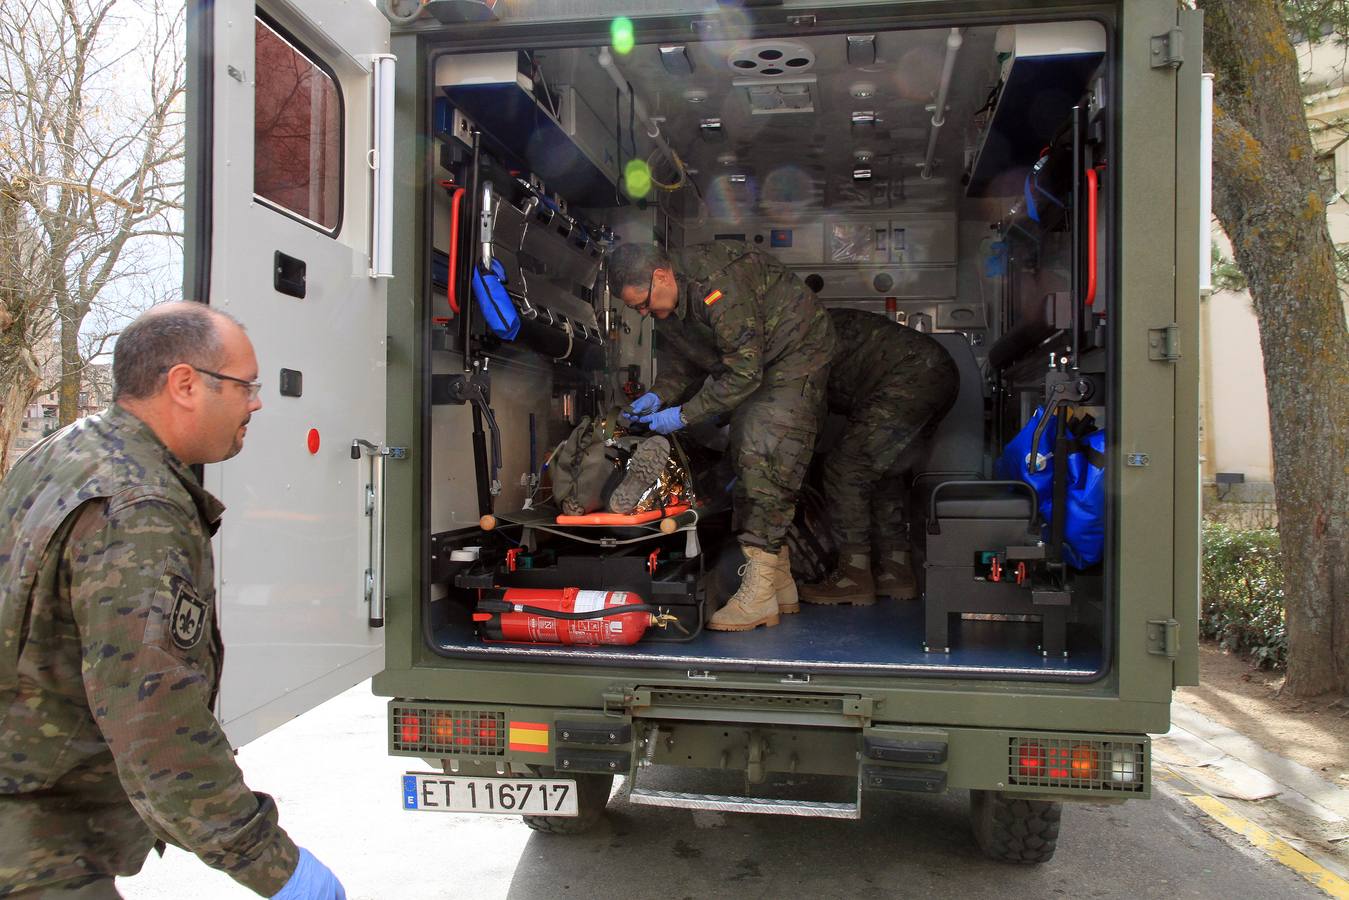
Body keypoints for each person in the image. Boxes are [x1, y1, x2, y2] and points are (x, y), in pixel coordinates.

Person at [0, 302, 344, 899]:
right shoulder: (138, 509)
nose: (256, 403)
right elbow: (155, 716)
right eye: (246, 385)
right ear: (185, 384)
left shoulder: (61, 453)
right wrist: (271, 864)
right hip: (36, 843)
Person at [607, 241, 835, 632]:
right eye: (637, 309)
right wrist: (659, 395)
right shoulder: (670, 300)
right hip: (760, 364)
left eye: (643, 304)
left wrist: (682, 414)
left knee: (763, 448)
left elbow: (744, 373)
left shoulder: (717, 284)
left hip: (797, 354)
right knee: (744, 448)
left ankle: (761, 594)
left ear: (661, 276)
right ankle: (779, 584)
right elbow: (685, 359)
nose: (644, 313)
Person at [799, 308, 960, 606]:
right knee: (885, 470)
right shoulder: (811, 325)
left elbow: (807, 413)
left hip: (910, 375)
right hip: (936, 372)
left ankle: (853, 576)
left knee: (846, 467)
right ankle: (895, 570)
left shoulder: (799, 340)